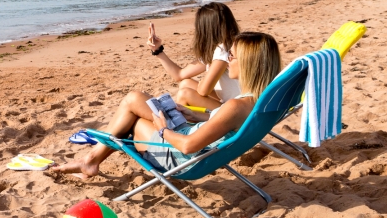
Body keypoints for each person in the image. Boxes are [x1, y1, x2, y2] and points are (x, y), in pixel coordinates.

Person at [51, 32, 281, 178]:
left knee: (132, 109)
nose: (226, 59)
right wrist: (194, 114)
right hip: (194, 140)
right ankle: (90, 162)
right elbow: (228, 125)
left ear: (249, 63)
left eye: (231, 56)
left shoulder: (237, 105)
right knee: (136, 98)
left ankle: (90, 162)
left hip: (183, 157)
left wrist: (163, 129)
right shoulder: (260, 100)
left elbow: (189, 146)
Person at [148, 2, 241, 111]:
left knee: (185, 94)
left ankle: (181, 126)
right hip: (232, 102)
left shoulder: (224, 48)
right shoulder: (226, 45)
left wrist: (202, 83)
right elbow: (180, 75)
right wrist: (157, 50)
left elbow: (203, 91)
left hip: (236, 110)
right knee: (185, 83)